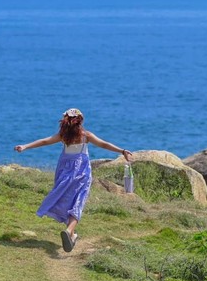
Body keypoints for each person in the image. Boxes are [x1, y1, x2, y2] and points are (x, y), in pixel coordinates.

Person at [14, 108, 133, 252]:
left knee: (64, 198)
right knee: (79, 200)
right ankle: (70, 230)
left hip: (65, 172)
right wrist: (122, 151)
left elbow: (45, 141)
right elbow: (104, 144)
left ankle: (71, 232)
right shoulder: (85, 136)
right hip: (82, 173)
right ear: (80, 121)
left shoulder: (63, 136)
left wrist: (25, 146)